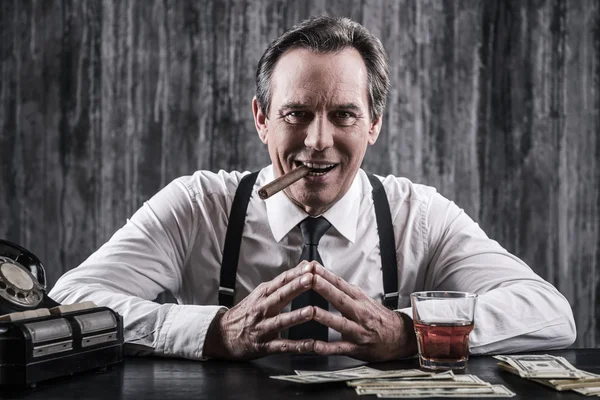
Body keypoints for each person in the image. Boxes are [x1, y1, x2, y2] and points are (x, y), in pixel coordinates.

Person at [49, 16, 576, 362]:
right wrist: (212, 332)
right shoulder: (198, 206)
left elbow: (549, 313)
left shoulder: (420, 216)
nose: (318, 142)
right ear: (262, 120)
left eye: (344, 115)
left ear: (373, 125)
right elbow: (69, 300)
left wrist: (406, 331)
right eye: (296, 114)